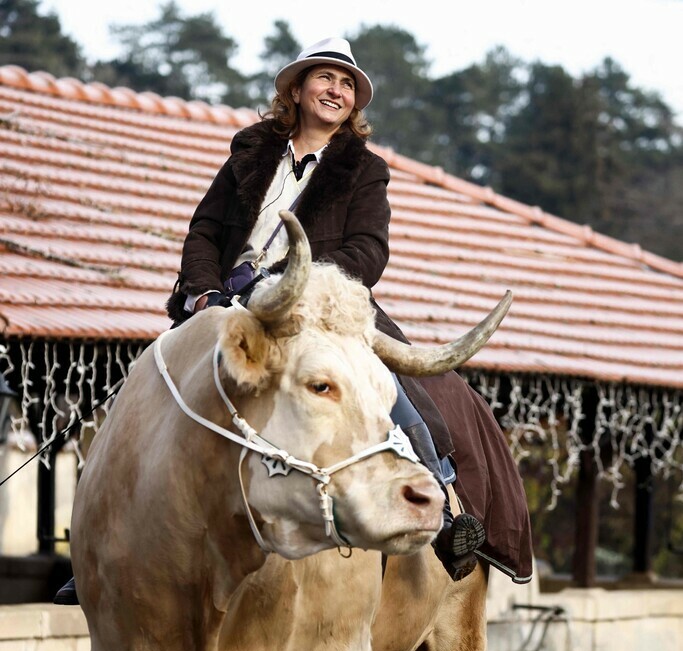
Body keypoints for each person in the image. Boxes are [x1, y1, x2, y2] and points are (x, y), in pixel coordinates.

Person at [55, 37, 529, 605]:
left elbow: (368, 252)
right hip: (226, 309)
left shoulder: (364, 171)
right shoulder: (249, 152)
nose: (336, 89)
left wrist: (293, 284)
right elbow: (204, 231)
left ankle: (447, 509)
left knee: (405, 398)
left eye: (347, 84)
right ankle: (103, 552)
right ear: (297, 89)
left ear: (354, 104)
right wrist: (205, 295)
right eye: (325, 78)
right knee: (149, 407)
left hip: (317, 308)